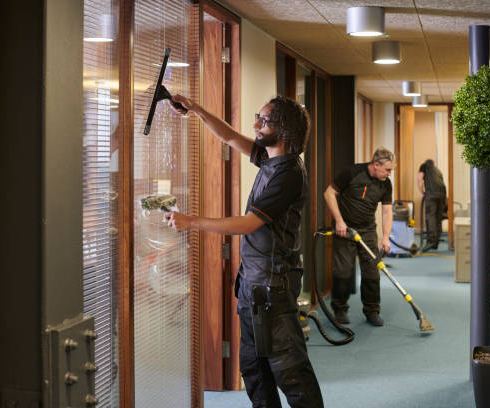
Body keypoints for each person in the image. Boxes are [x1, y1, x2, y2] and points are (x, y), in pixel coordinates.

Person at [165, 94, 324, 408]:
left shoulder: (289, 173)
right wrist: (196, 108)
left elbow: (250, 223)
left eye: (263, 121)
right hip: (253, 283)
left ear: (285, 129)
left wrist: (191, 221)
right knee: (254, 370)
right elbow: (227, 135)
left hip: (273, 288)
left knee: (290, 373)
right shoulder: (269, 158)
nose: (256, 125)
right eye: (258, 118)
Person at [323, 148, 394, 327]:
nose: (389, 173)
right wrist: (339, 221)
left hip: (368, 230)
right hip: (344, 229)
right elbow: (329, 193)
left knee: (372, 271)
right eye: (387, 169)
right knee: (343, 272)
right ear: (376, 165)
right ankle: (339, 309)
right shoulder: (352, 172)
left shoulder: (385, 183)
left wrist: (385, 237)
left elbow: (386, 211)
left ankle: (372, 311)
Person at [417, 159, 447, 251]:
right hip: (442, 195)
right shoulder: (437, 170)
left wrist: (422, 192)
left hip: (431, 194)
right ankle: (435, 243)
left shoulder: (424, 166)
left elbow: (419, 178)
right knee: (438, 218)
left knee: (430, 217)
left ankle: (431, 241)